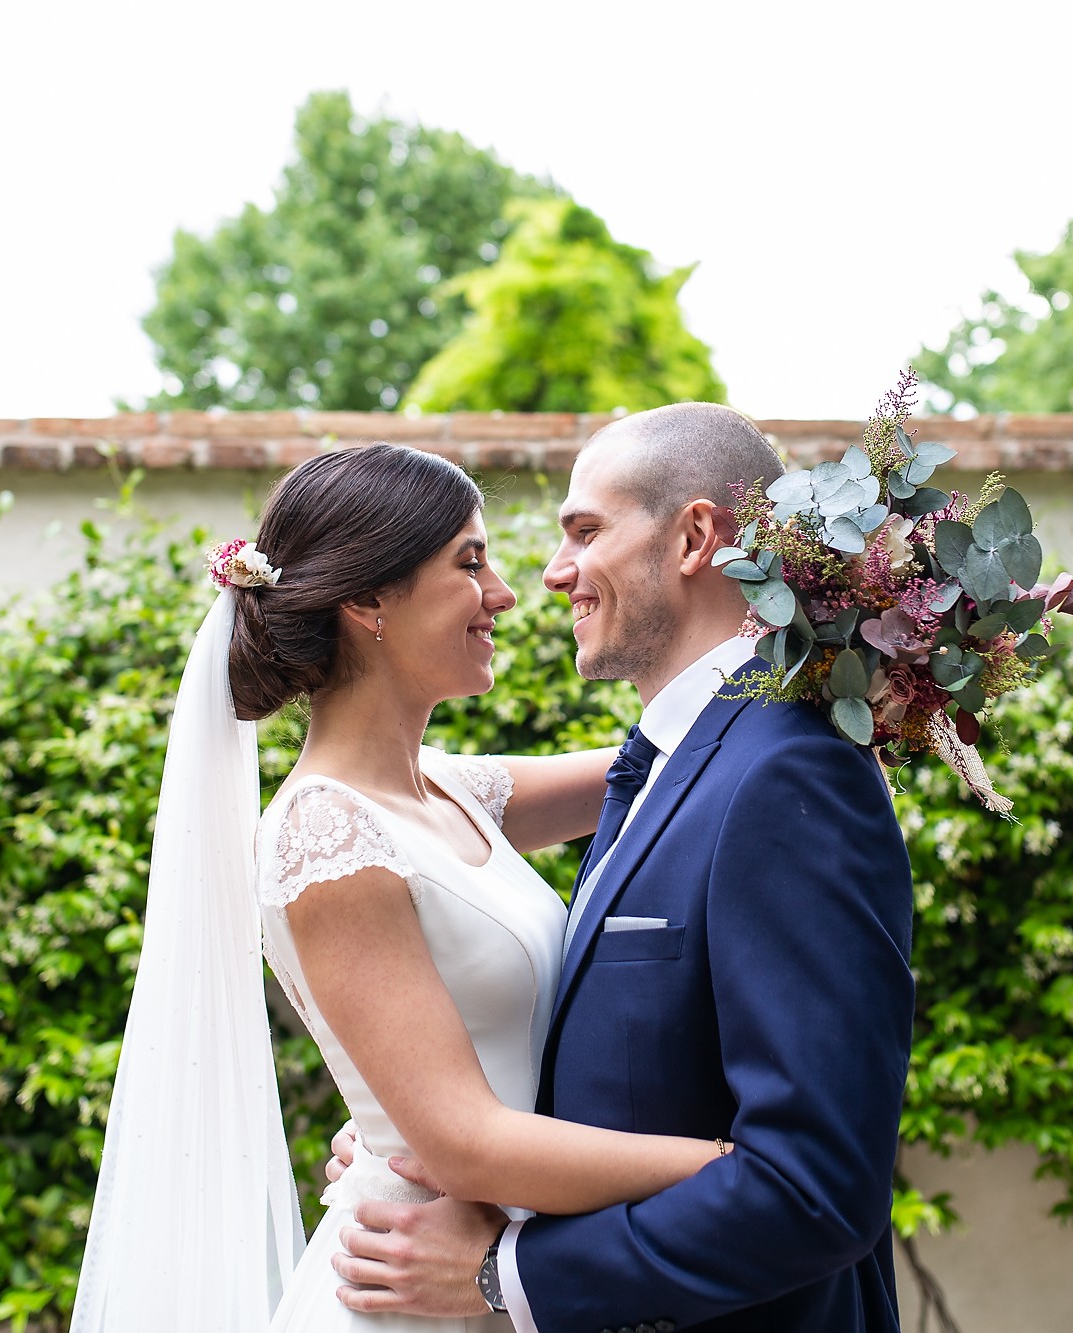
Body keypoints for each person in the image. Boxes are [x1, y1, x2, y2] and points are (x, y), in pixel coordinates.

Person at [69, 441, 745, 1333]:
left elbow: (687, 759)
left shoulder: (453, 790)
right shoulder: (325, 831)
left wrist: (847, 662)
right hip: (413, 1289)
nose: (505, 592)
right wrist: (735, 1167)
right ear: (366, 599)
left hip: (502, 1264)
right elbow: (464, 1141)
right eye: (470, 562)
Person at [327, 403, 916, 1332]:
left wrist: (508, 1277)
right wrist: (410, 1136)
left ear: (693, 538)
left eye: (585, 531)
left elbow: (817, 1186)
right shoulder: (671, 764)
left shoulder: (789, 773)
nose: (552, 575)